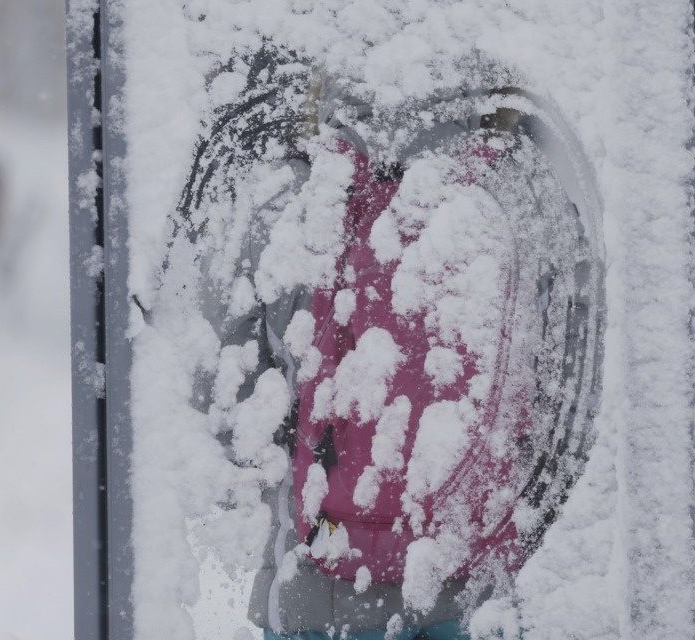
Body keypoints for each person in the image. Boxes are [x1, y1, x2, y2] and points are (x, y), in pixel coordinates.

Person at [177, 45, 604, 640]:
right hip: (477, 590)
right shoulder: (528, 192)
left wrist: (299, 458)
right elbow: (575, 406)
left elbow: (222, 398)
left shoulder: (293, 195)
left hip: (317, 591)